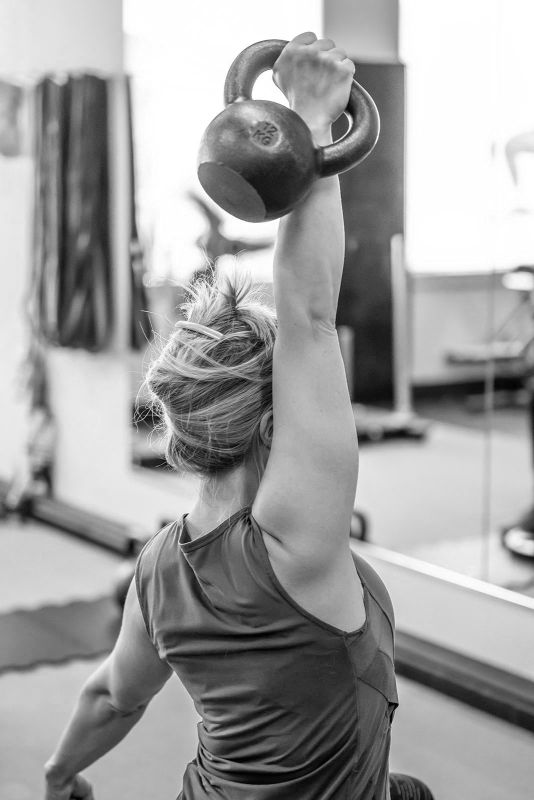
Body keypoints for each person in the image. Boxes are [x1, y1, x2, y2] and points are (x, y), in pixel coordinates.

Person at [44, 33, 433, 800]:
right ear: (268, 425)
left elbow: (111, 696)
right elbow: (311, 315)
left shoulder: (159, 568)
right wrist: (314, 124)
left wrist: (59, 776)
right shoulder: (297, 539)